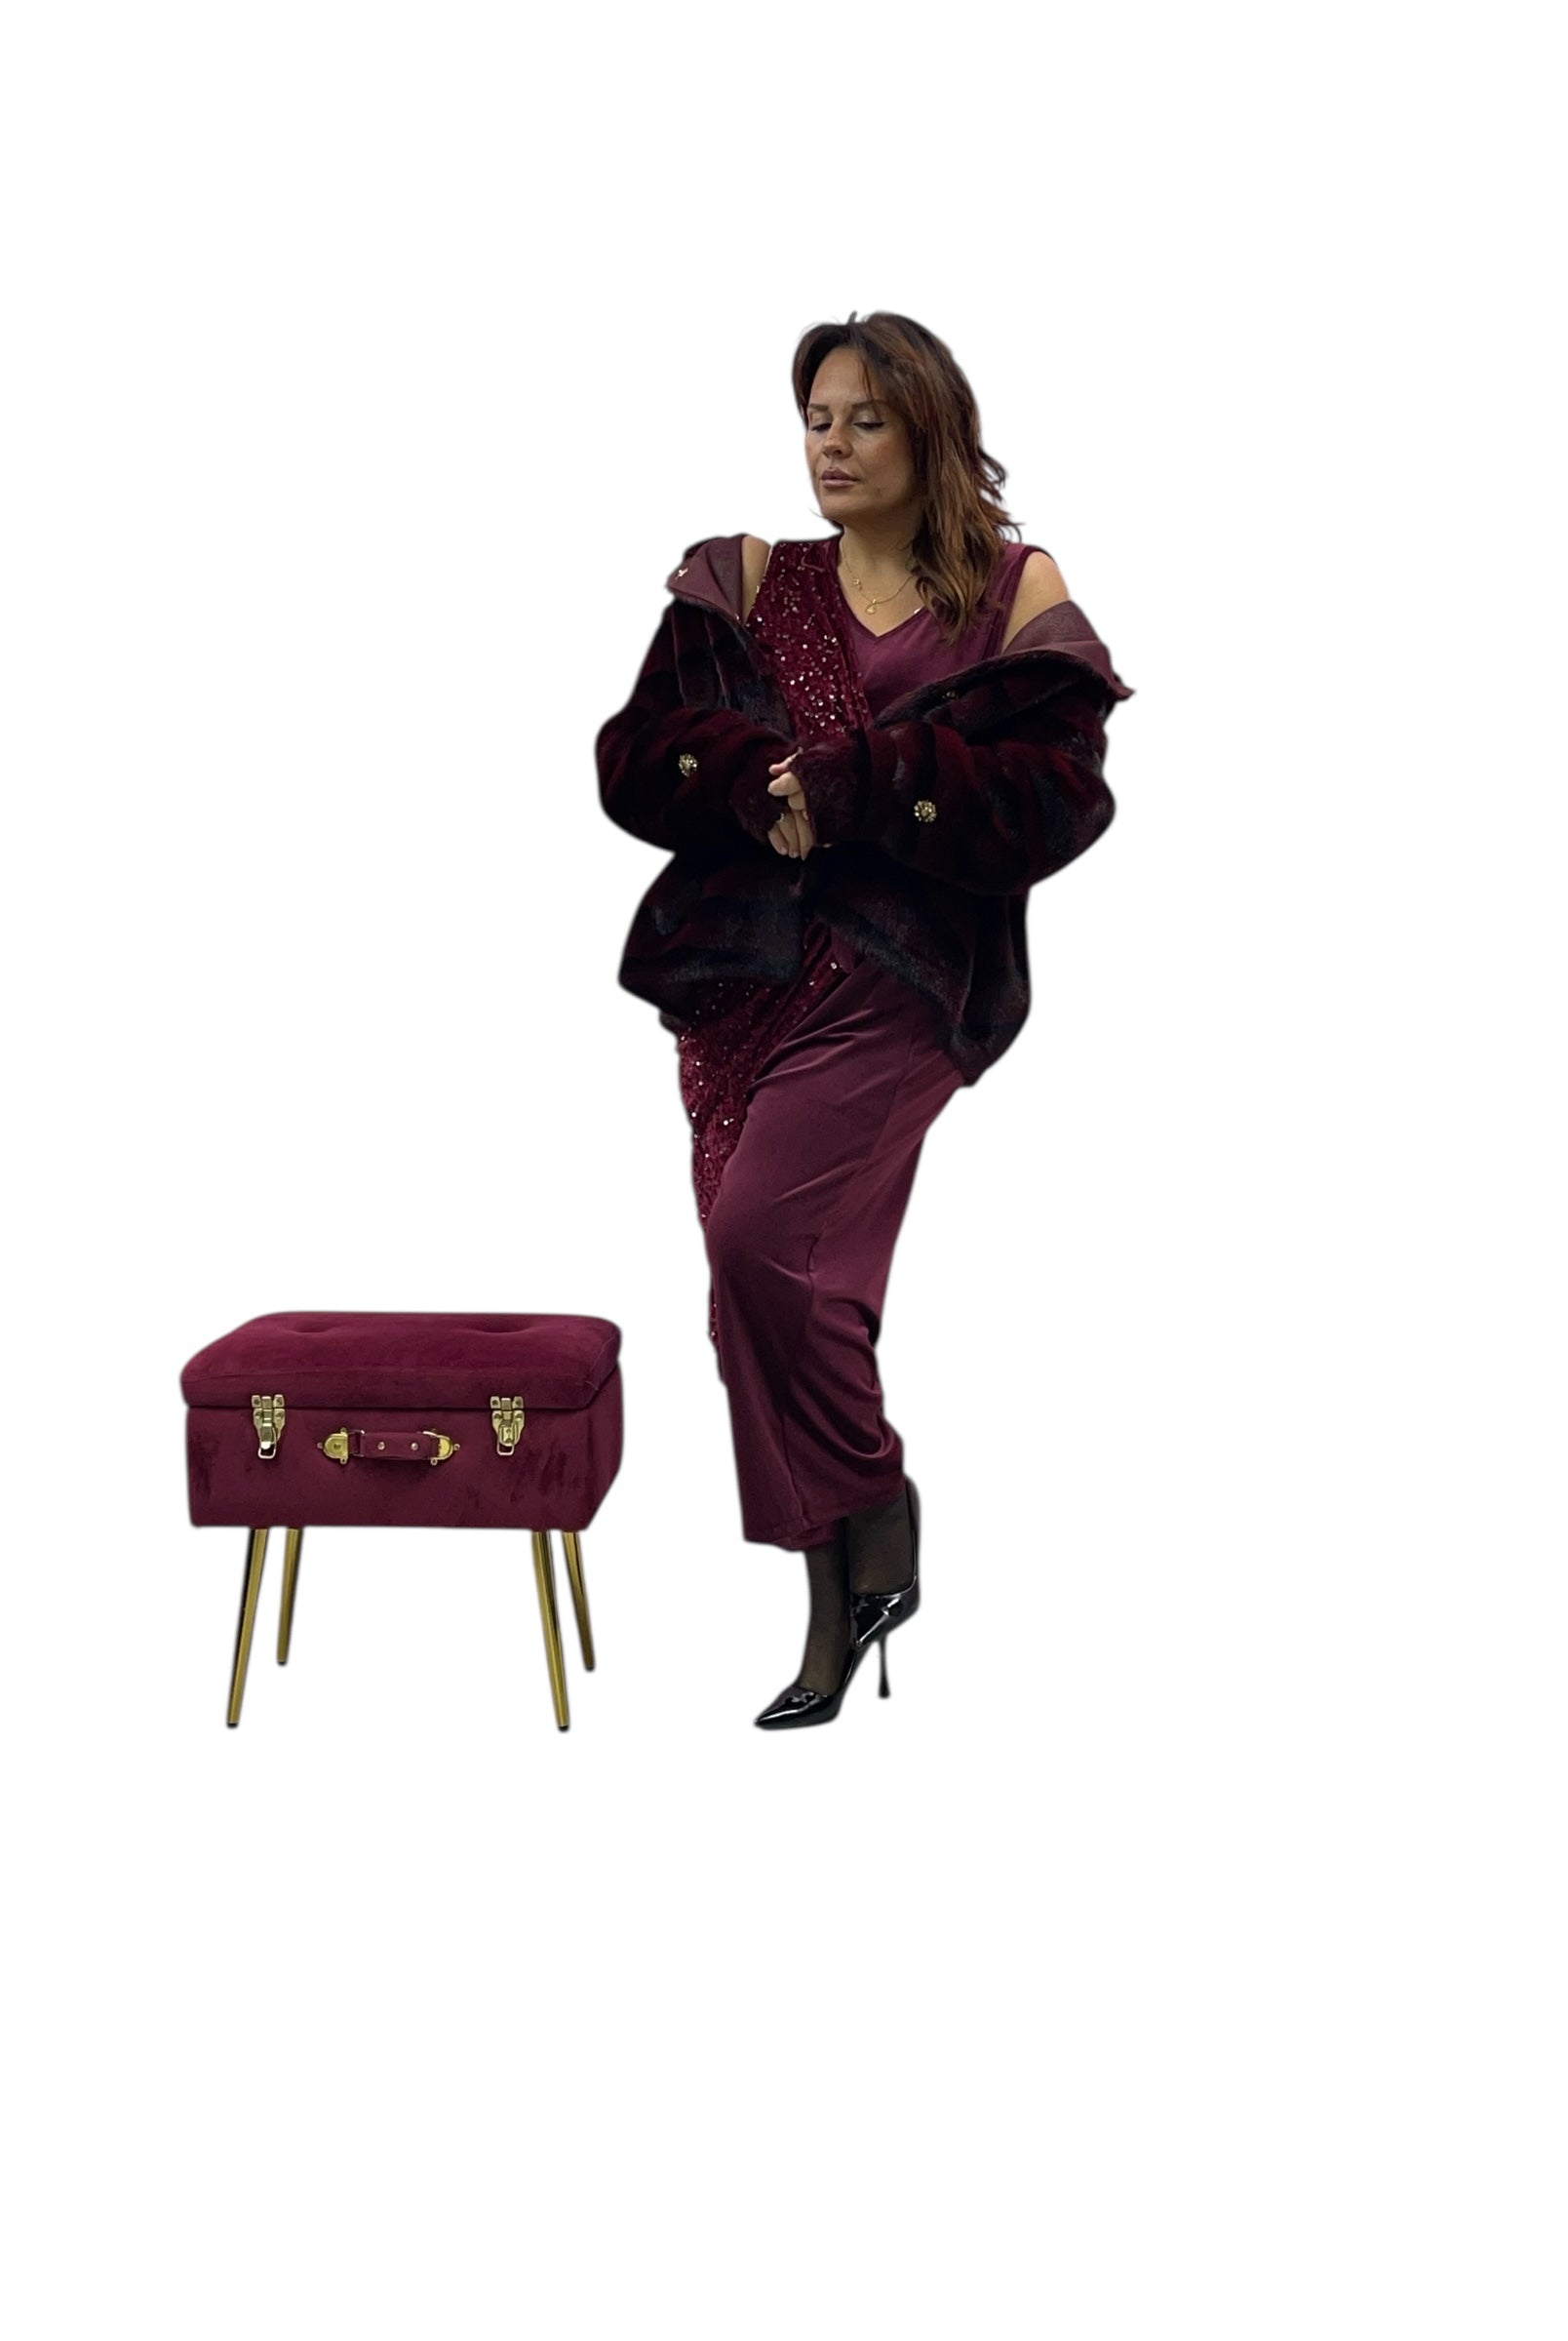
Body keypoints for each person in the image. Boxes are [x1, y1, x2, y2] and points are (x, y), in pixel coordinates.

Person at [596, 310, 1134, 1729]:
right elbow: (632, 758)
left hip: (902, 975)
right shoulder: (749, 581)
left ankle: (875, 1506)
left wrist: (868, 781)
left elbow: (1064, 796)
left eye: (864, 421)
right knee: (767, 1298)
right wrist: (747, 782)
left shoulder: (1011, 591)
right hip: (741, 980)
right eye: (816, 420)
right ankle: (837, 1602)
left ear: (929, 431)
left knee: (757, 1239)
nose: (829, 446)